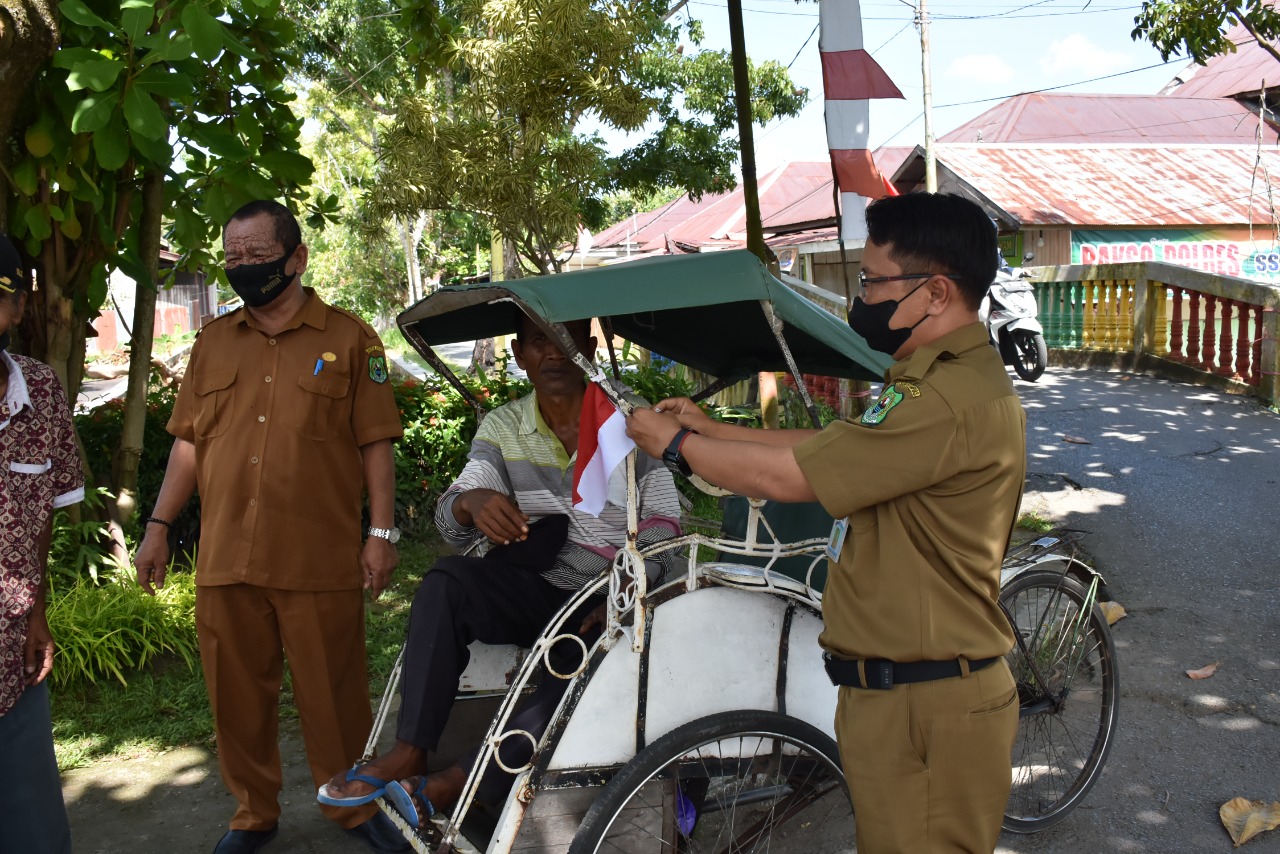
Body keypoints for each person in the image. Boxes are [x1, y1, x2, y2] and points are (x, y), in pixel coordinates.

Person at [626, 192, 1027, 853]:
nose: (860, 297)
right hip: (899, 694)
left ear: (934, 293)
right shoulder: (925, 384)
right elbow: (832, 449)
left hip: (928, 702)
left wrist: (676, 447)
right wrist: (713, 428)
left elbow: (795, 479)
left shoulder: (948, 399)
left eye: (872, 281)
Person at [317, 314, 681, 824]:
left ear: (590, 348)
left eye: (567, 341)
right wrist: (474, 502)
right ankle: (410, 748)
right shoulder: (504, 426)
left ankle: (460, 781)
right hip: (537, 581)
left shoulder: (629, 420)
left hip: (607, 595)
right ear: (518, 353)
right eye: (539, 342)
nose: (554, 353)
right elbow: (452, 516)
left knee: (591, 658)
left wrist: (621, 592)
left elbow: (667, 526)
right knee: (446, 582)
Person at [132, 201, 408, 854]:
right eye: (234, 259)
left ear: (297, 257)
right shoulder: (213, 343)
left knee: (334, 695)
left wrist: (382, 533)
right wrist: (159, 525)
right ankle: (253, 813)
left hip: (316, 557)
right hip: (226, 556)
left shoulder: (348, 339)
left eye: (257, 257)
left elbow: (376, 442)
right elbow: (189, 446)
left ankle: (353, 807)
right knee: (236, 698)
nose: (244, 270)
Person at [0, 234, 83, 854]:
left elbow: (46, 513)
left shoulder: (42, 391)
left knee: (36, 836)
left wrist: (36, 612)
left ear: (19, 308)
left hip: (13, 658)